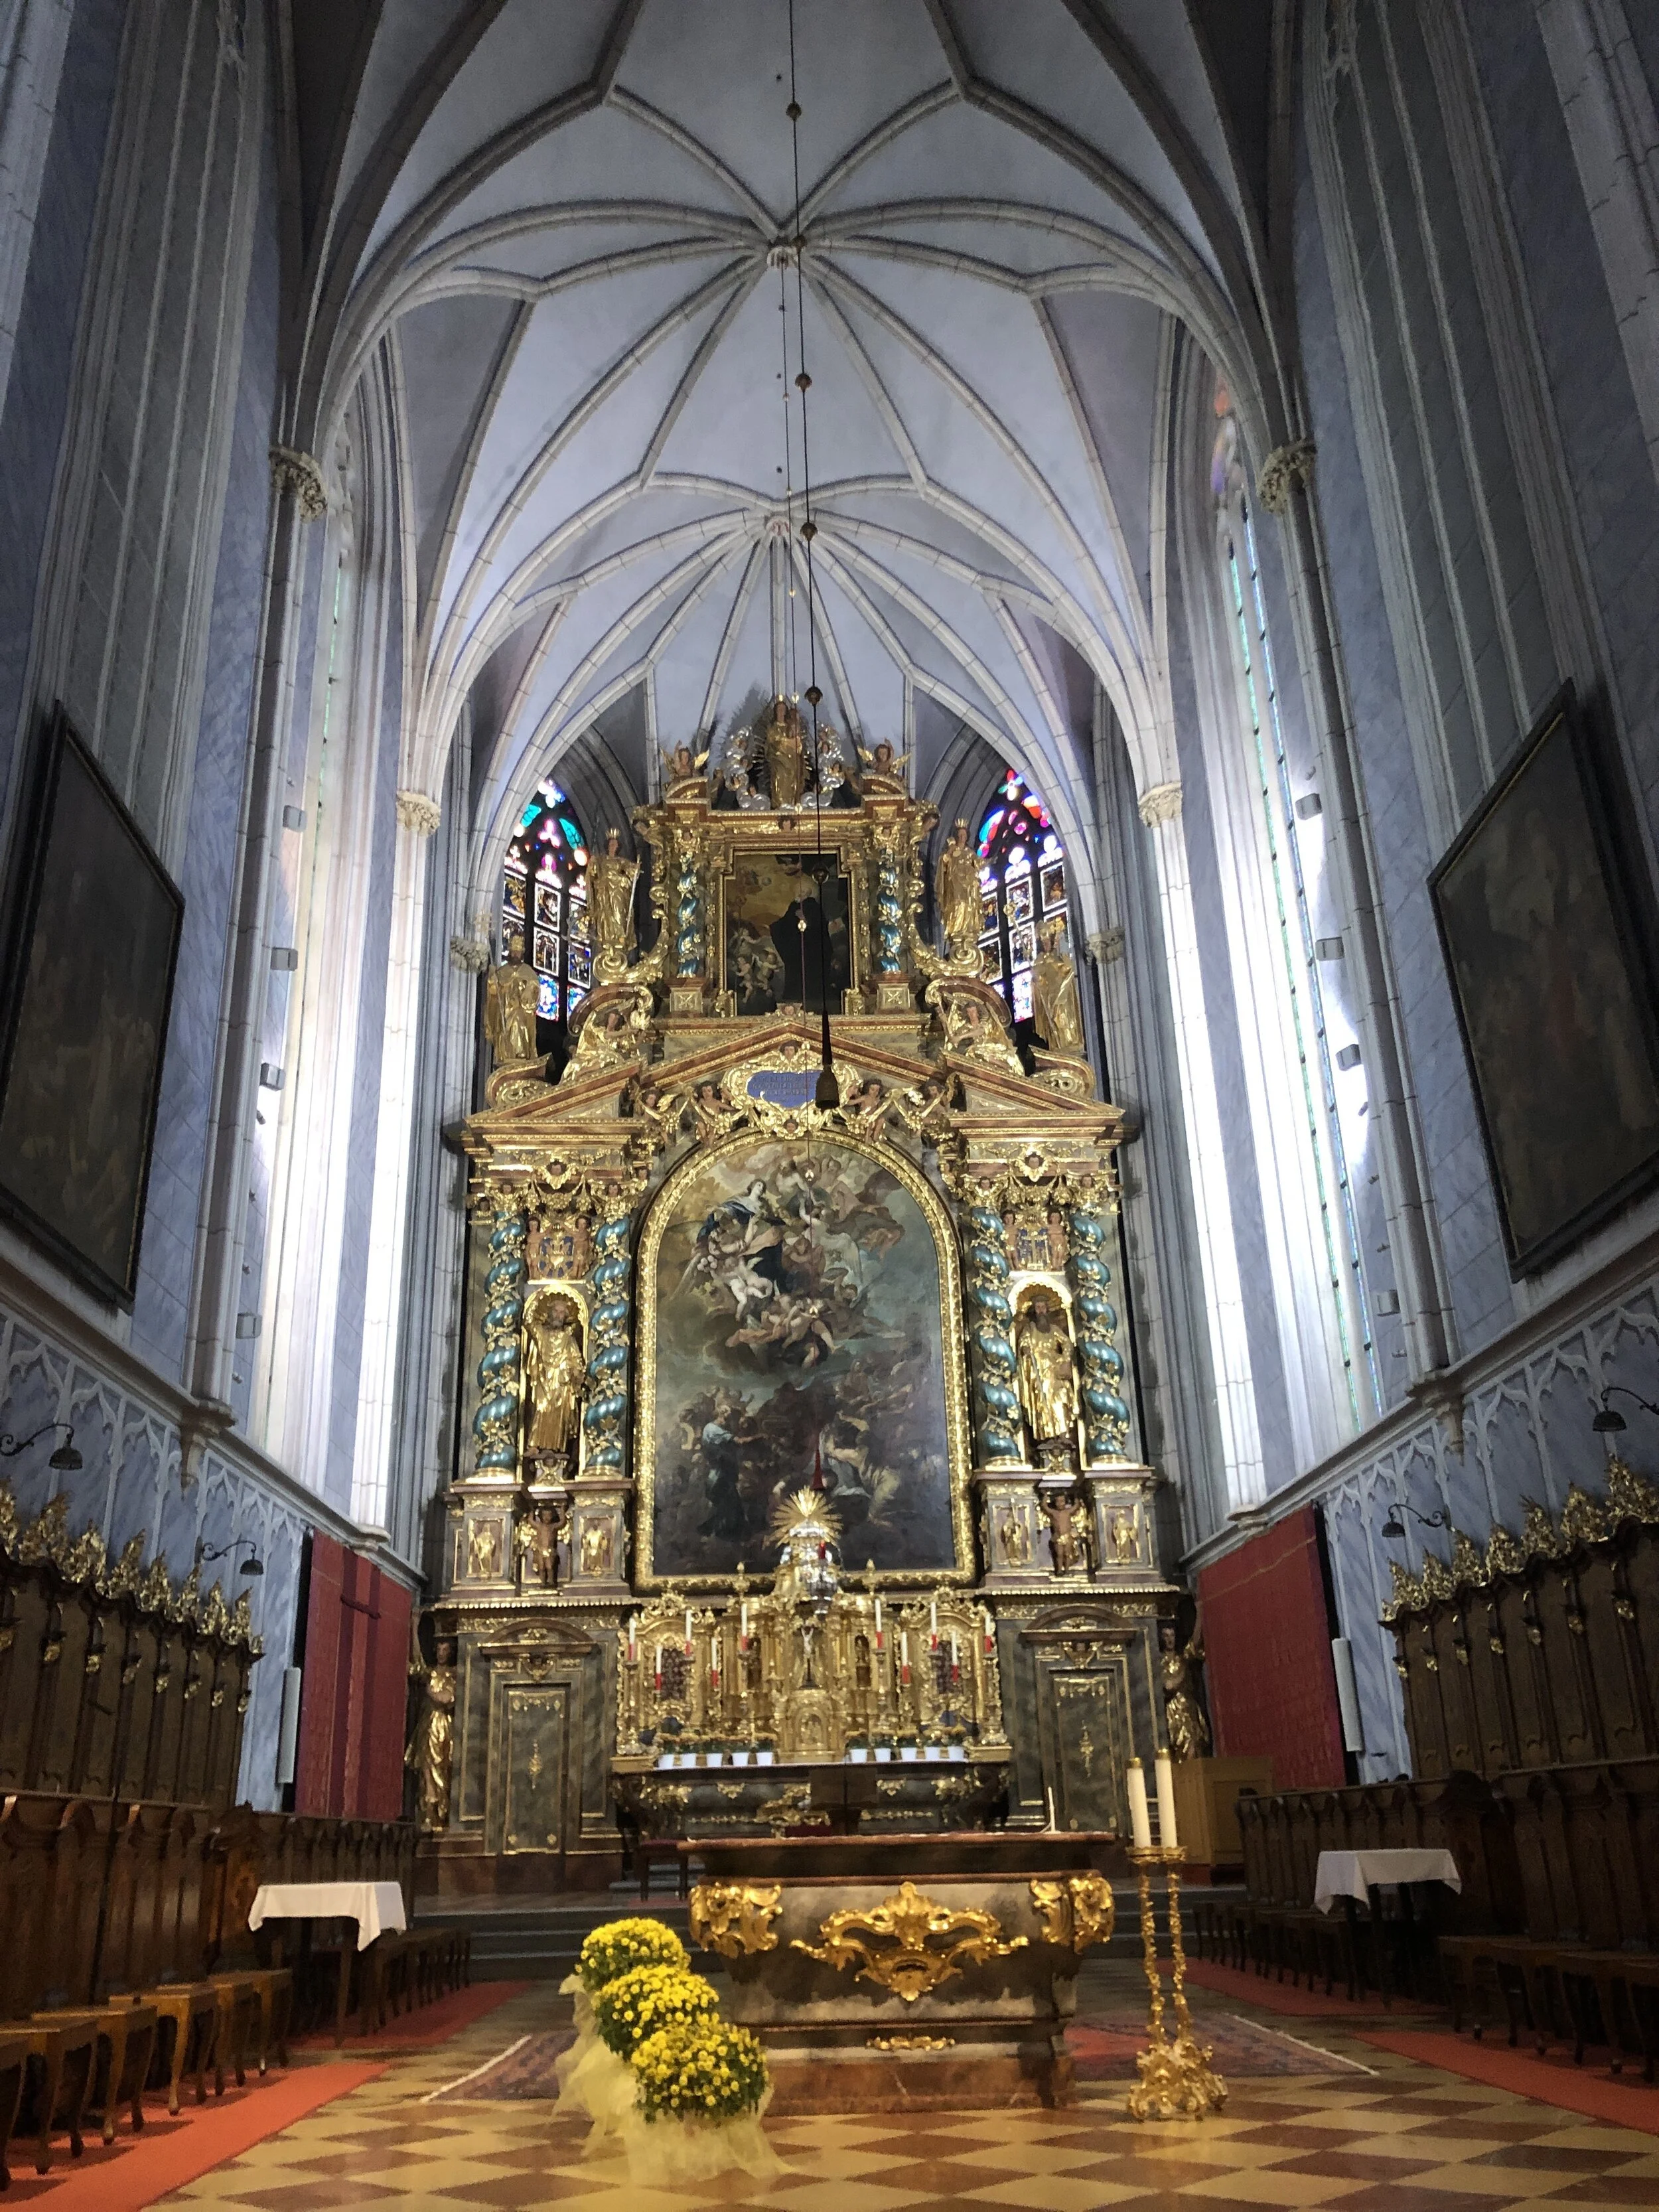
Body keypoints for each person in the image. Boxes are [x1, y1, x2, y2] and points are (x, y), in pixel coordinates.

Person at [523, 1291, 584, 1462]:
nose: (558, 1315)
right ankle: (535, 1445)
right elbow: (528, 1323)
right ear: (549, 1314)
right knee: (541, 1409)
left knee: (559, 1416)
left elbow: (576, 1360)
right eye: (556, 1312)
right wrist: (536, 1298)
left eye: (562, 1313)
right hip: (543, 1380)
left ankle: (558, 1447)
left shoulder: (568, 1338)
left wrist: (576, 1373)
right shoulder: (542, 1333)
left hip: (561, 1383)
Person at [1015, 1289, 1079, 1447]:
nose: (1041, 1311)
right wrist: (1026, 1349)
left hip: (1055, 1369)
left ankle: (1063, 1434)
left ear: (1047, 1309)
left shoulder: (1055, 1330)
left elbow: (1067, 1344)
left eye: (1043, 1307)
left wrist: (1064, 1360)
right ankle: (1048, 1435)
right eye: (1038, 1308)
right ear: (1034, 1310)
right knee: (1043, 1401)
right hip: (1039, 1371)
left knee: (1062, 1397)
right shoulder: (1030, 1330)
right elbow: (1023, 1343)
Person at [1031, 916, 1086, 1057]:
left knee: (1065, 1018)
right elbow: (1037, 977)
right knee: (1054, 1020)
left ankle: (1070, 1043)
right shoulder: (1039, 960)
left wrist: (1066, 967)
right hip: (1049, 995)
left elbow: (1069, 970)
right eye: (1043, 942)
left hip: (1063, 994)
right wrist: (1036, 977)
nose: (1046, 944)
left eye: (1048, 941)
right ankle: (1056, 1045)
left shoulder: (1060, 957)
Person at [589, 826, 638, 979]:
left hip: (618, 893)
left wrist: (635, 869)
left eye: (615, 845)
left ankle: (620, 937)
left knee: (619, 915)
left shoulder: (620, 861)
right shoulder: (602, 860)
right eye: (611, 844)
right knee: (606, 916)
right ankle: (608, 938)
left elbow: (632, 874)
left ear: (618, 847)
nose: (613, 846)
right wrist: (591, 865)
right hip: (604, 894)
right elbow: (592, 875)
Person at [1159, 1621, 1212, 1761]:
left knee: (1196, 1744)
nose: (1170, 1639)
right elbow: (1168, 1686)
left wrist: (1200, 1612)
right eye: (1166, 1636)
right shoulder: (1160, 1662)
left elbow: (1195, 1642)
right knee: (1180, 1746)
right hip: (1173, 1711)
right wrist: (1184, 1671)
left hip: (1189, 1709)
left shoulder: (1181, 1658)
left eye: (1172, 1635)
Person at [484, 935, 538, 1063]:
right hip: (504, 1010)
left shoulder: (528, 973)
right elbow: (493, 992)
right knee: (504, 1028)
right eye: (513, 952)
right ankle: (505, 1054)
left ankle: (521, 1053)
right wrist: (492, 978)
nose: (515, 955)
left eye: (518, 952)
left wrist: (525, 996)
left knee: (518, 1020)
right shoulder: (502, 971)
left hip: (521, 1010)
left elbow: (534, 993)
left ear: (522, 954)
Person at [935, 818, 980, 965]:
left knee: (967, 906)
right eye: (960, 835)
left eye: (964, 835)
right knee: (957, 905)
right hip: (955, 883)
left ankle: (967, 931)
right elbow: (945, 862)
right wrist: (949, 852)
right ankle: (956, 930)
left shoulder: (969, 852)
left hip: (968, 885)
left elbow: (978, 863)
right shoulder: (953, 850)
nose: (962, 837)